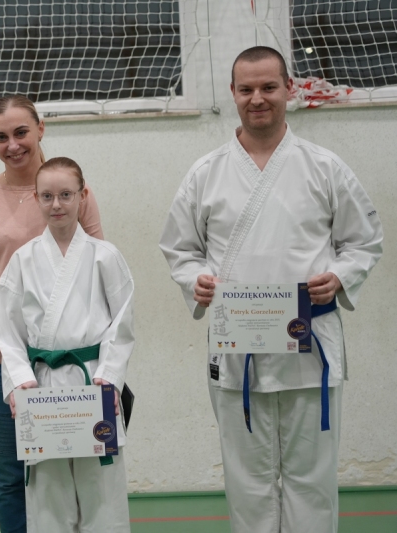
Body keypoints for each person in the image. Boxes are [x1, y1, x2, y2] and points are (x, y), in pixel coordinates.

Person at [159, 46, 383, 533]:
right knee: (248, 480)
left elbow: (364, 241)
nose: (257, 98)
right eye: (246, 89)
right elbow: (180, 248)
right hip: (237, 348)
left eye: (268, 87)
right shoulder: (206, 172)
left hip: (309, 346)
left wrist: (340, 276)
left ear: (289, 89)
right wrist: (195, 280)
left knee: (312, 478)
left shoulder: (324, 166)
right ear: (233, 93)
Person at [0, 95, 104, 532]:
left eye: (21, 132)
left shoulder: (72, 192)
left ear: (41, 128)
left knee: (69, 468)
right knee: (10, 475)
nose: (13, 145)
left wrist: (105, 361)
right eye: (0, 137)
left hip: (63, 355)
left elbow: (99, 270)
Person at [0, 157, 134, 533]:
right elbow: (7, 331)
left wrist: (110, 378)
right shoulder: (22, 260)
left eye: (66, 195)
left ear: (82, 196)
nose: (56, 204)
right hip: (41, 388)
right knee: (48, 498)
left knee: (101, 493)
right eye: (47, 196)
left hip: (93, 384)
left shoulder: (105, 255)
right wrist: (18, 381)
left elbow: (122, 324)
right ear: (36, 199)